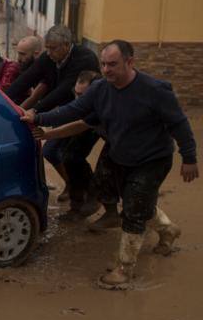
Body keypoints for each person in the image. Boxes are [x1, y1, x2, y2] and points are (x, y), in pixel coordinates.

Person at [22, 40, 198, 290]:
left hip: (152, 159)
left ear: (130, 62)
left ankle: (124, 269)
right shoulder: (100, 89)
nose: (106, 69)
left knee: (135, 208)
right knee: (120, 193)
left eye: (112, 64)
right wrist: (38, 117)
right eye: (103, 64)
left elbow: (179, 124)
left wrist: (189, 158)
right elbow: (74, 110)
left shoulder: (156, 90)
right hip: (119, 154)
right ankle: (168, 229)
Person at [8, 25, 100, 200]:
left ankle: (91, 193)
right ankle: (73, 185)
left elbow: (63, 91)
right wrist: (3, 99)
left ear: (66, 45)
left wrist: (36, 112)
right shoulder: (49, 57)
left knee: (73, 156)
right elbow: (27, 79)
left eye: (53, 48)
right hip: (64, 111)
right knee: (50, 151)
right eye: (47, 48)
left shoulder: (85, 59)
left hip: (87, 113)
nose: (48, 53)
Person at [33, 71, 104, 221]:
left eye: (82, 96)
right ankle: (77, 200)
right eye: (76, 94)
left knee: (76, 158)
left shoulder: (102, 104)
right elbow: (69, 116)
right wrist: (43, 129)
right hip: (84, 122)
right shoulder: (74, 100)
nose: (78, 100)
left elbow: (81, 125)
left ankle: (96, 198)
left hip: (124, 141)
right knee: (65, 155)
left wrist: (42, 125)